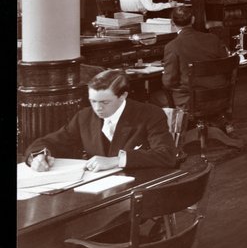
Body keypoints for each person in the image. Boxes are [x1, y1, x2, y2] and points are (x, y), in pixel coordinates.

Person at [25, 68, 178, 172]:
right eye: (93, 101)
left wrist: (116, 160)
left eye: (105, 102)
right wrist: (37, 156)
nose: (97, 108)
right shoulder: (84, 117)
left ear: (123, 96)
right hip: (97, 189)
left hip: (137, 188)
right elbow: (51, 141)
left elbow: (166, 155)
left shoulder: (150, 114)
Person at [162, 5, 231, 110]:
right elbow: (226, 66)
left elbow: (169, 82)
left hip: (191, 100)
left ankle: (178, 125)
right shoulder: (213, 38)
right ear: (193, 20)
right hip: (219, 96)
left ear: (172, 23)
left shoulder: (172, 46)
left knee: (154, 98)